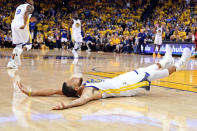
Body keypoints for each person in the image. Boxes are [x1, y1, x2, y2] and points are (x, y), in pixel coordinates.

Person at [17, 46, 191, 110]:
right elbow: (80, 102)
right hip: (126, 87)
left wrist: (32, 93)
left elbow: (52, 91)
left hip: (122, 78)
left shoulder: (75, 88)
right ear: (76, 89)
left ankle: (165, 60)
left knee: (145, 68)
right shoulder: (88, 92)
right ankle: (181, 63)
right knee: (152, 75)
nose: (74, 77)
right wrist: (65, 105)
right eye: (73, 81)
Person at [7, 0, 34, 69]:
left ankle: (11, 62)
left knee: (18, 45)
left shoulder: (19, 6)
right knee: (29, 45)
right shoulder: (30, 6)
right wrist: (24, 24)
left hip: (14, 25)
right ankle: (18, 54)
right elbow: (26, 13)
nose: (33, 1)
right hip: (22, 25)